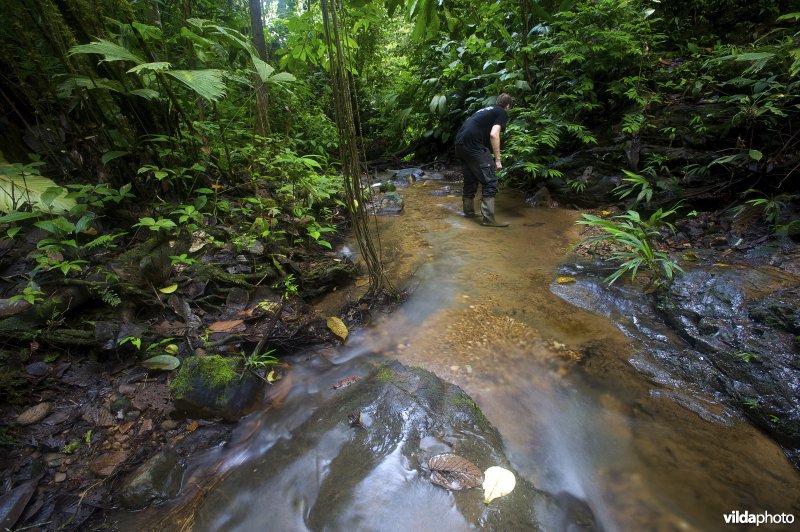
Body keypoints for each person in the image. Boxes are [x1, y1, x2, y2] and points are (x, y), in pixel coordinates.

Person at [455, 93, 514, 227]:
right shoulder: (501, 112)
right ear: (508, 106)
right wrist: (498, 160)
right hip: (473, 146)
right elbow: (494, 134)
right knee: (490, 181)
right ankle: (488, 220)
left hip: (459, 144)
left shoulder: (485, 110)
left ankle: (468, 212)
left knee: (471, 178)